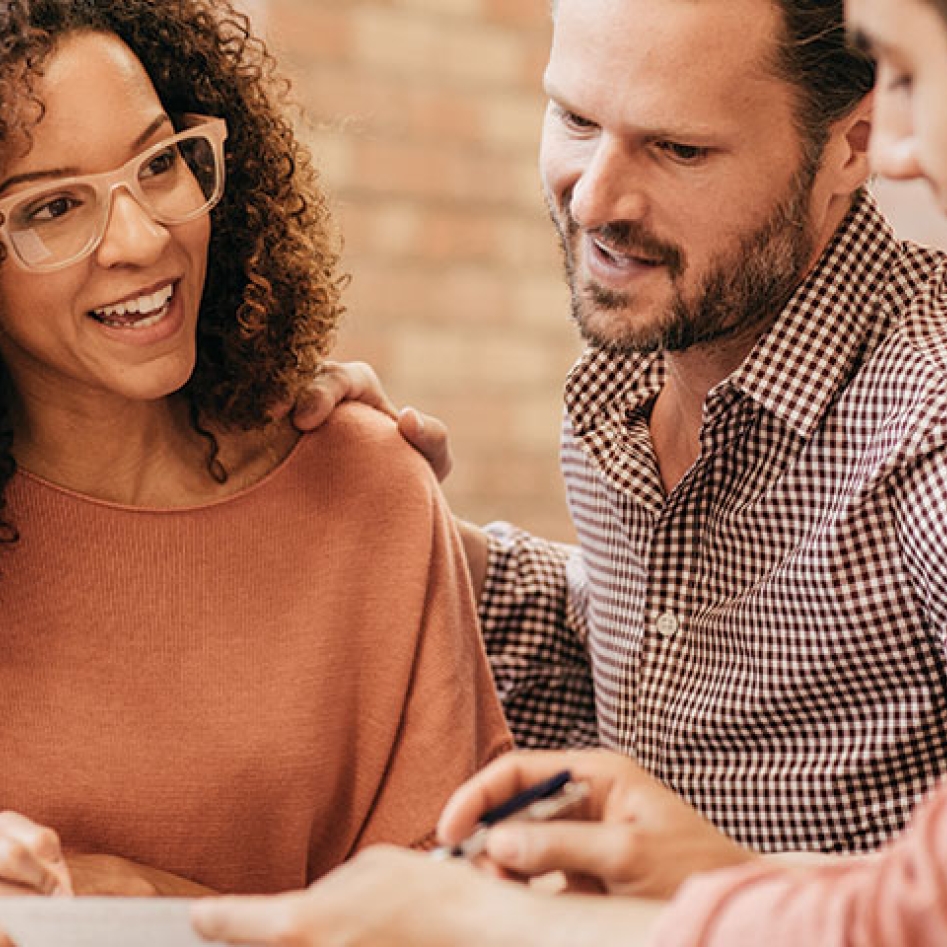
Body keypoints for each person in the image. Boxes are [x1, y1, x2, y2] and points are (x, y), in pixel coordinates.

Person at [188, 0, 947, 942]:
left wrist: (510, 919)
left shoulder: (927, 415)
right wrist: (400, 525)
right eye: (576, 120)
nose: (594, 200)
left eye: (677, 150)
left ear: (852, 143)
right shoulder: (644, 351)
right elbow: (659, 647)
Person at [0, 0, 510, 899]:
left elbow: (464, 917)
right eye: (51, 207)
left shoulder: (365, 490)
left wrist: (157, 909)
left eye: (160, 163)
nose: (141, 238)